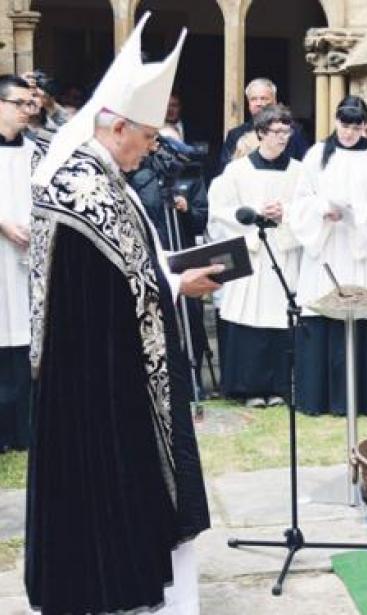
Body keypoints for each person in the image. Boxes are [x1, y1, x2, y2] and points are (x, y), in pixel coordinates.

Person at [25, 15, 219, 613]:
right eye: (148, 137)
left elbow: (134, 275)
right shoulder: (85, 186)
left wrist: (172, 280)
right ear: (116, 127)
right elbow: (122, 286)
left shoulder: (106, 176)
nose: (153, 148)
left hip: (109, 366)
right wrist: (175, 284)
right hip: (94, 377)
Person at [288, 95, 367, 416]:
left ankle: (364, 397)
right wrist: (322, 209)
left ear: (365, 126)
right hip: (327, 246)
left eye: (355, 127)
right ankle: (320, 397)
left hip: (361, 250)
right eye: (344, 126)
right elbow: (300, 202)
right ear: (336, 122)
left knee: (362, 314)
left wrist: (356, 215)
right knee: (325, 313)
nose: (349, 133)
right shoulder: (316, 154)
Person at [208, 104, 302, 408]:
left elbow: (308, 209)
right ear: (260, 133)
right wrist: (253, 215)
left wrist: (286, 213)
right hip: (252, 250)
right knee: (250, 318)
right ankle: (248, 388)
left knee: (279, 318)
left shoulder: (299, 171)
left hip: (283, 251)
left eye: (287, 131)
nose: (283, 137)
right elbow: (219, 210)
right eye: (276, 132)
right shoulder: (237, 171)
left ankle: (278, 386)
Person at [128, 128, 211, 396]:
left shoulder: (186, 173)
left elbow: (201, 218)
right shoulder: (133, 170)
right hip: (152, 252)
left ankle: (192, 377)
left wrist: (186, 210)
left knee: (192, 317)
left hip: (182, 250)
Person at [0, 75, 36, 453]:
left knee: (24, 341)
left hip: (27, 258)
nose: (28, 110)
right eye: (20, 103)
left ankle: (24, 430)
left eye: (31, 104)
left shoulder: (35, 152)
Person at [218, 78, 308, 171]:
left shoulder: (293, 131)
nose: (259, 103)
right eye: (253, 99)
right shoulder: (235, 134)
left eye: (264, 98)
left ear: (274, 101)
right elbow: (224, 171)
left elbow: (304, 165)